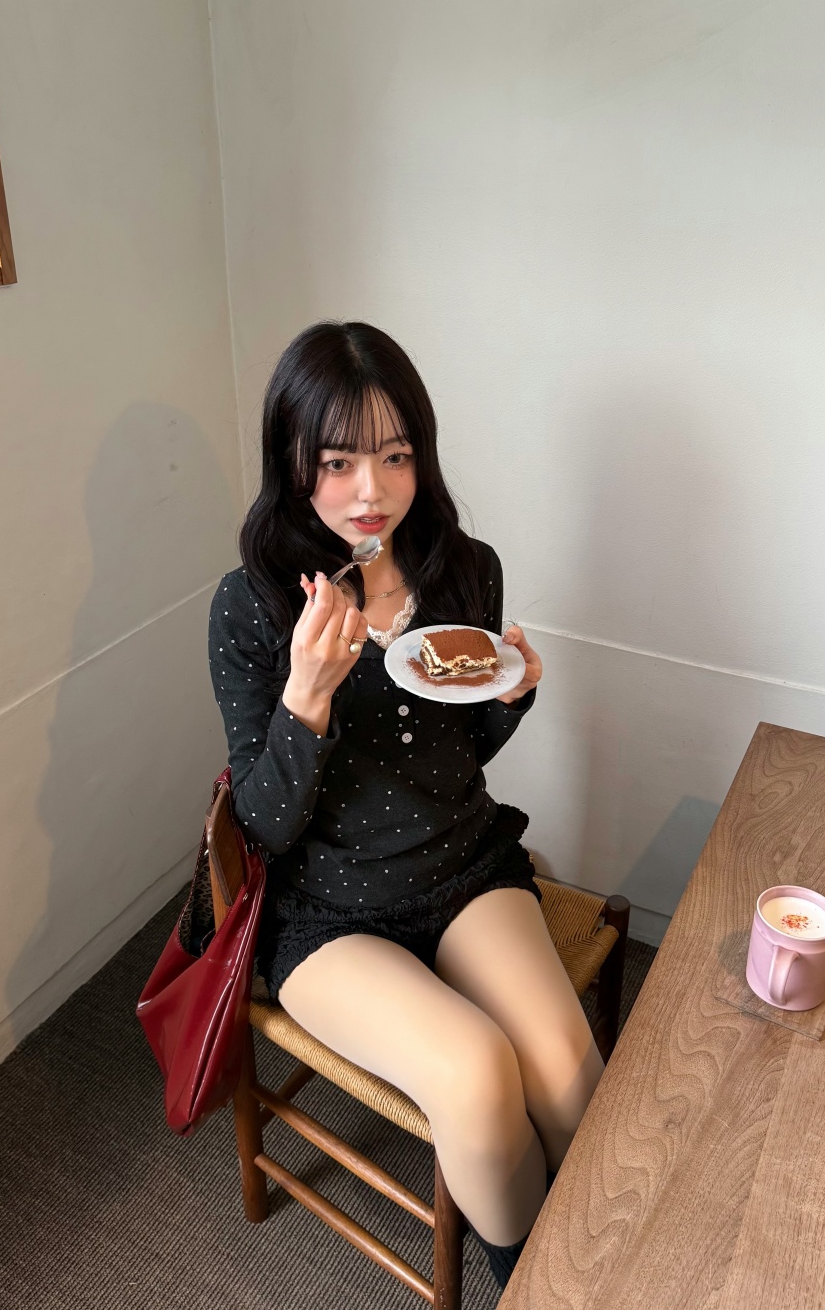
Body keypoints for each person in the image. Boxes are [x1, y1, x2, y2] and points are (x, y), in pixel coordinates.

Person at [208, 321, 603, 1290]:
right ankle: (538, 1283)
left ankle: (609, 1260)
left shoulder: (463, 569)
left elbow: (458, 756)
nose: (371, 491)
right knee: (476, 1072)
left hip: (462, 868)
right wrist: (306, 698)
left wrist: (512, 697)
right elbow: (259, 827)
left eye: (395, 456)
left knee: (567, 1066)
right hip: (327, 910)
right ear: (292, 461)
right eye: (337, 462)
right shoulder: (252, 605)